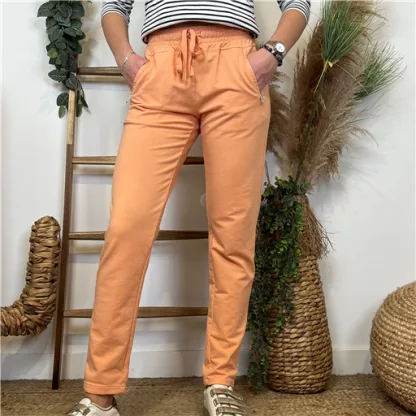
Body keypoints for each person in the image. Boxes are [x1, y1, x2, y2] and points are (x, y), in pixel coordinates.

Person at [67, 1, 310, 415]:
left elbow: (298, 3)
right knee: (126, 229)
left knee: (233, 233)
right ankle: (101, 391)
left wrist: (272, 53)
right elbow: (114, 5)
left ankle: (221, 381)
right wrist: (127, 60)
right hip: (160, 70)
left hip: (237, 68)